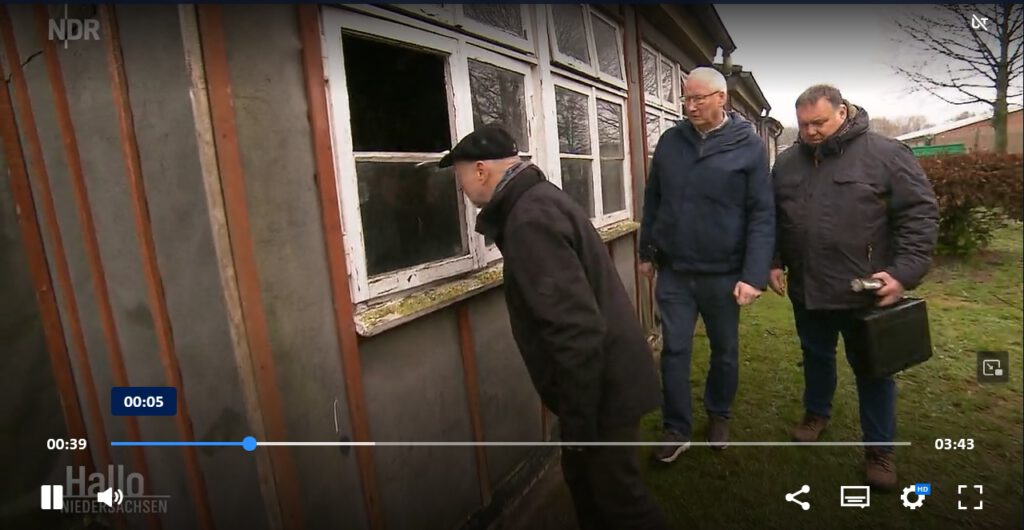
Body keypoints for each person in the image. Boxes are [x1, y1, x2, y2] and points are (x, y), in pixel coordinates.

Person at [441, 124, 670, 529]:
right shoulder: (538, 201)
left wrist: (579, 422)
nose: (461, 188)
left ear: (480, 170)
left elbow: (575, 330)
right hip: (602, 385)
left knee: (621, 507)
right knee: (593, 496)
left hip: (601, 393)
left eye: (459, 176)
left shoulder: (528, 221)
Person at [769, 85, 939, 490]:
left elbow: (920, 214)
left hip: (867, 290)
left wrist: (902, 274)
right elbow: (774, 217)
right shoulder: (788, 163)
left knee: (874, 371)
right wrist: (773, 261)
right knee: (815, 357)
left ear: (843, 112)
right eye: (803, 124)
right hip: (809, 288)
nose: (809, 131)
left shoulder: (886, 154)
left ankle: (880, 450)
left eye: (819, 123)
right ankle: (816, 414)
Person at [638, 67, 775, 462]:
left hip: (724, 274)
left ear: (722, 99)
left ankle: (719, 414)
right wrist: (647, 252)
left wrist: (753, 275)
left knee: (725, 350)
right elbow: (654, 199)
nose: (691, 106)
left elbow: (761, 214)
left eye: (699, 98)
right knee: (674, 350)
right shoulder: (670, 142)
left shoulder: (748, 146)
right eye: (686, 98)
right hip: (676, 272)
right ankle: (676, 427)